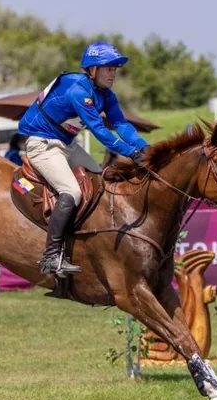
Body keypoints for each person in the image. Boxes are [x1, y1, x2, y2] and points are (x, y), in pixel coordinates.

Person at [18, 41, 150, 277]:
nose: (113, 74)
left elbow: (120, 124)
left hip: (67, 145)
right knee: (73, 192)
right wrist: (129, 152)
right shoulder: (78, 90)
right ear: (92, 70)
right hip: (42, 144)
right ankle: (51, 257)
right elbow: (99, 129)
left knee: (99, 182)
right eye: (108, 68)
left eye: (115, 69)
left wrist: (145, 148)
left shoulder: (106, 95)